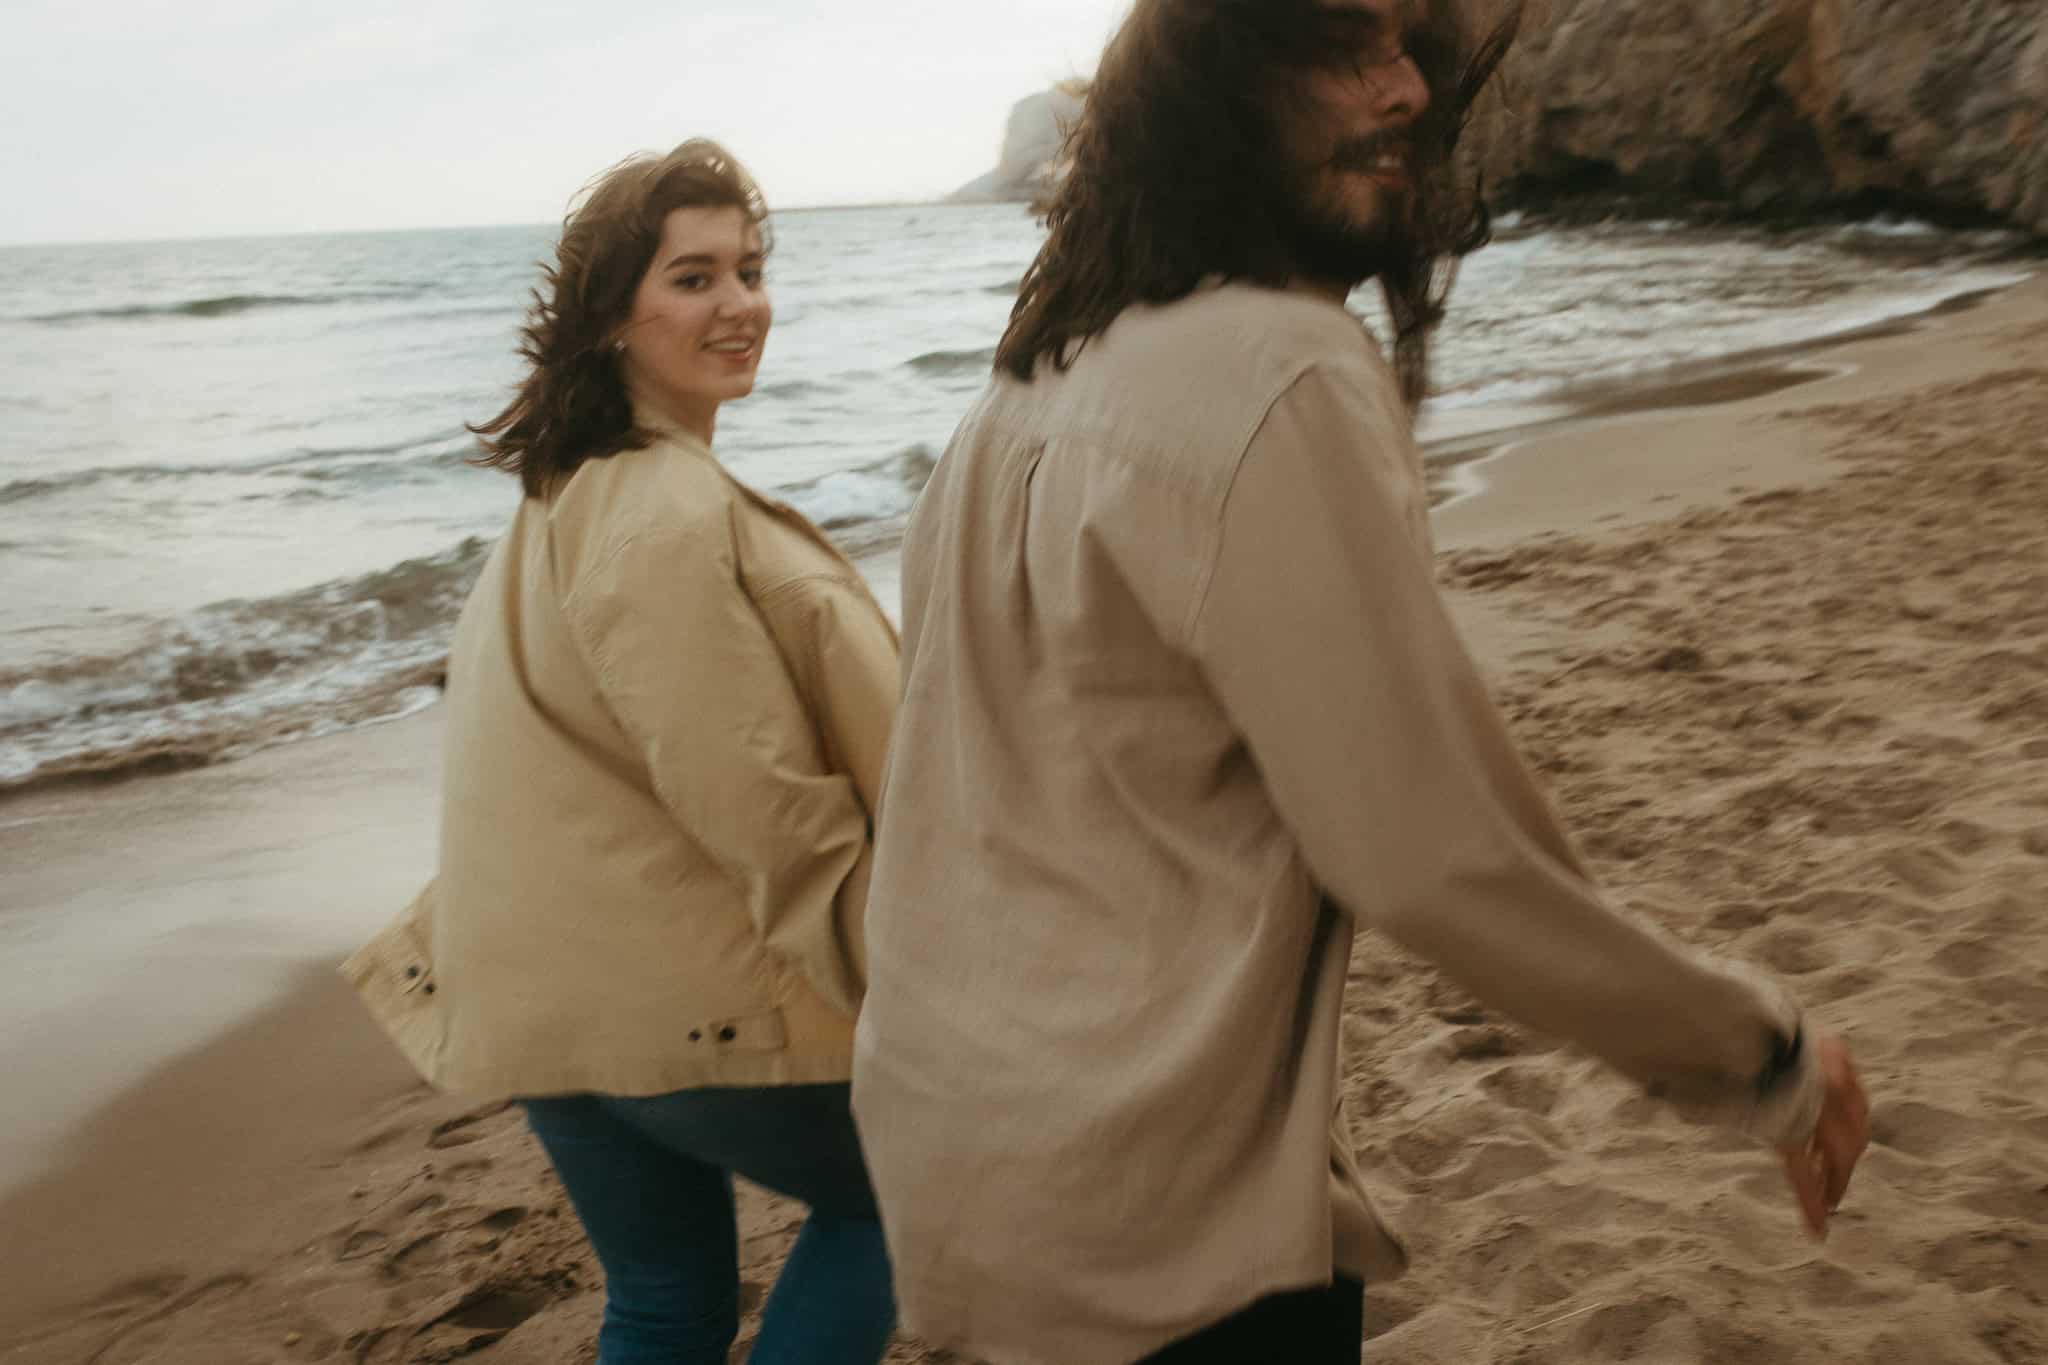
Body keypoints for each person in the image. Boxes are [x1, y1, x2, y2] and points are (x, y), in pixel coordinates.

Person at [848, 2, 1870, 1363]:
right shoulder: (1277, 370)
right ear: (1212, 87)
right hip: (1150, 1202)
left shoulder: (1016, 396)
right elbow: (1437, 857)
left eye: (1406, 48)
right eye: (1338, 46)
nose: (1401, 92)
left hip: (955, 1156)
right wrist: (1759, 1052)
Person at [343, 140, 900, 1365]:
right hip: (670, 1018)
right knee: (910, 1194)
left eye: (748, 270)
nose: (738, 304)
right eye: (692, 278)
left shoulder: (565, 490)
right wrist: (913, 995)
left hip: (545, 1008)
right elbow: (763, 807)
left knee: (665, 1305)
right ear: (609, 316)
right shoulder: (659, 515)